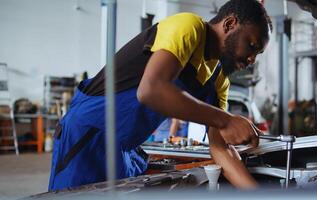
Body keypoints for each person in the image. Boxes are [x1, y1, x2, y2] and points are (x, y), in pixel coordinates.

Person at [48, 0, 272, 191]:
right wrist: (225, 120)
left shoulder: (219, 80)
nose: (252, 59)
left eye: (258, 53)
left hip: (124, 149)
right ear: (230, 23)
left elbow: (220, 148)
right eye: (251, 46)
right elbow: (151, 90)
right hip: (87, 138)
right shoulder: (189, 26)